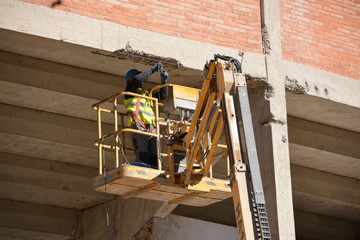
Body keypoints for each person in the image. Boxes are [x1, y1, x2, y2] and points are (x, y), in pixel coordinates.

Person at [124, 62, 168, 168]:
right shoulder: (129, 92)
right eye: (137, 75)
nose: (141, 77)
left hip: (151, 128)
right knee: (143, 157)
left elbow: (163, 95)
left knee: (154, 159)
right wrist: (152, 70)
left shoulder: (146, 95)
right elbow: (138, 80)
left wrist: (164, 81)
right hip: (139, 127)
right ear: (130, 80)